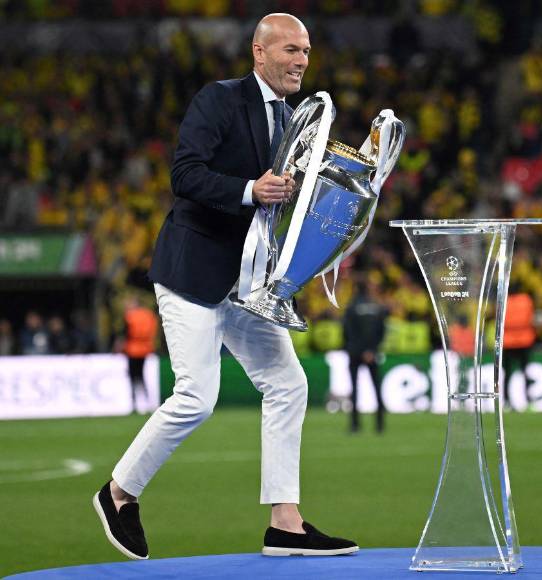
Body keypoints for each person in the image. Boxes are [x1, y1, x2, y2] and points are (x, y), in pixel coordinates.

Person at [93, 13, 358, 561]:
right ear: (258, 53)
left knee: (289, 384)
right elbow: (184, 175)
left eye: (306, 50)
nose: (301, 60)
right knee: (196, 397)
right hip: (193, 272)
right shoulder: (219, 100)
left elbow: (287, 207)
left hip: (248, 284)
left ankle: (285, 523)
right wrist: (249, 189)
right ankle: (118, 493)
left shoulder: (293, 120)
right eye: (289, 49)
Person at [342, 279, 388, 433]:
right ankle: (380, 425)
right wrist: (371, 350)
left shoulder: (351, 307)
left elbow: (348, 332)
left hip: (355, 352)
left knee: (355, 389)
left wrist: (360, 350)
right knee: (376, 387)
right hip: (371, 353)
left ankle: (355, 425)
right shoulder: (377, 307)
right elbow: (381, 331)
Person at [116, 294, 158, 413]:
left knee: (133, 376)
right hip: (145, 348)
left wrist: (119, 345)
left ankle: (134, 404)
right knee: (141, 376)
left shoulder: (130, 316)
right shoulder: (149, 315)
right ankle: (148, 403)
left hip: (132, 349)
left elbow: (125, 333)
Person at [502, 290, 536, 408]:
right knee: (525, 372)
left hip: (508, 341)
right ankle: (529, 400)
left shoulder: (504, 299)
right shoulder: (526, 299)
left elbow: (500, 320)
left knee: (507, 373)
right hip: (524, 340)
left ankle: (506, 402)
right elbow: (530, 317)